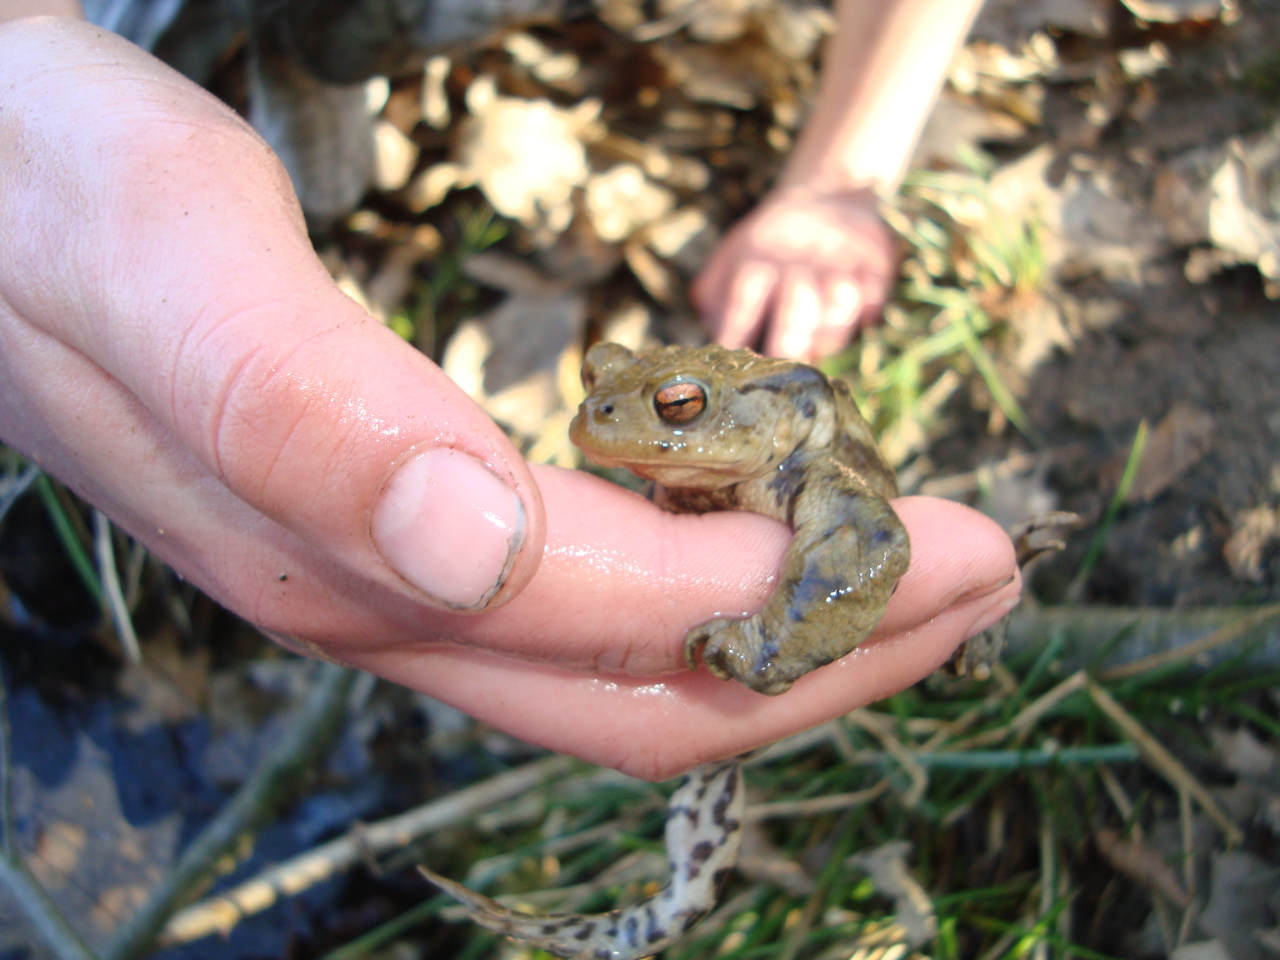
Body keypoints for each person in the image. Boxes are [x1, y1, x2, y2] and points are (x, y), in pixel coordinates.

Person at [0, 3, 1016, 782]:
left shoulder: (808, 463)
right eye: (599, 388)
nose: (600, 419)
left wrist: (765, 644)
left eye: (667, 410)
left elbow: (870, 551)